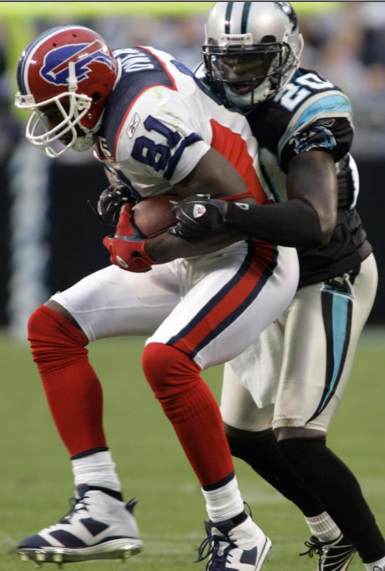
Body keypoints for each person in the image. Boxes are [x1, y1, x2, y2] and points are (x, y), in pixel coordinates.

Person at [14, 24, 300, 570]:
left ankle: (236, 529)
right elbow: (170, 185)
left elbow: (242, 206)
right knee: (52, 328)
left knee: (167, 361)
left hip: (252, 250)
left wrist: (154, 248)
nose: (49, 120)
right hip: (201, 246)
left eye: (55, 107)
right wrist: (134, 206)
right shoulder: (115, 84)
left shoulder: (140, 121)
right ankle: (100, 506)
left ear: (89, 92)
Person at [171, 3, 385, 571]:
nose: (238, 75)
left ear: (287, 52)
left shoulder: (306, 109)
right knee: (240, 433)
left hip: (325, 275)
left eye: (254, 61)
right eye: (228, 61)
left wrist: (223, 215)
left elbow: (314, 221)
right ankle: (330, 531)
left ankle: (379, 559)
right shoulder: (202, 94)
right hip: (266, 277)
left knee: (298, 436)